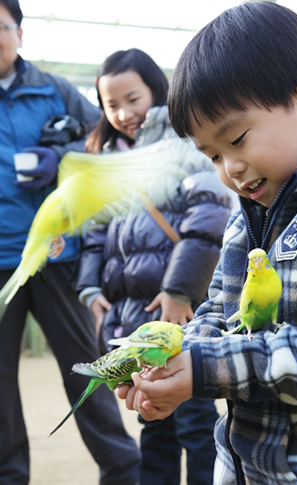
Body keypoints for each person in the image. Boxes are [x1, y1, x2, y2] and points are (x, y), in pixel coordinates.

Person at [118, 2, 297, 484]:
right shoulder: (245, 222)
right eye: (213, 156)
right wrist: (175, 362)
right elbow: (219, 315)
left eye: (237, 139)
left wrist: (204, 367)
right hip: (243, 469)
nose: (229, 169)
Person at [75, 48, 234, 485]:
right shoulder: (108, 158)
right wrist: (91, 291)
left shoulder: (183, 144)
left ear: (156, 92)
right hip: (136, 320)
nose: (124, 112)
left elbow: (208, 219)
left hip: (174, 311)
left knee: (195, 420)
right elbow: (94, 234)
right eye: (112, 104)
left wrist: (181, 290)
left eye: (133, 98)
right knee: (152, 420)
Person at [0, 2, 141, 484]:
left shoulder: (56, 90)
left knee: (89, 370)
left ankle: (124, 471)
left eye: (1, 26)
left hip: (57, 257)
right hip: (2, 262)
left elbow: (101, 138)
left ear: (20, 32)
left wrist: (56, 154)